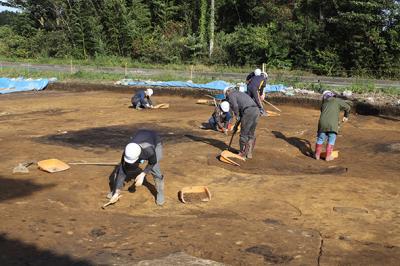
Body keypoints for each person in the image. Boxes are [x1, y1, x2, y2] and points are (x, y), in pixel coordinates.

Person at [108, 129, 164, 205]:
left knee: (155, 169)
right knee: (125, 167)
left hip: (154, 141)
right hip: (139, 138)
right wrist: (116, 192)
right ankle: (114, 192)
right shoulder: (128, 150)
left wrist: (143, 174)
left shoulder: (149, 151)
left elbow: (152, 162)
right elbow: (122, 172)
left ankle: (160, 193)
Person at [314, 90, 351, 161]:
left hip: (322, 124)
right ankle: (328, 157)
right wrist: (345, 116)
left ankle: (317, 155)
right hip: (333, 124)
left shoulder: (324, 104)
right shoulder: (337, 100)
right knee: (331, 140)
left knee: (320, 139)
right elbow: (348, 107)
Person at [224, 87, 260, 159]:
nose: (228, 99)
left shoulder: (231, 95)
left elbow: (235, 106)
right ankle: (248, 153)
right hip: (256, 110)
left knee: (244, 134)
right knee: (251, 134)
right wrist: (236, 126)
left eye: (226, 96)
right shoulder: (240, 94)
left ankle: (242, 153)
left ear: (227, 92)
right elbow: (241, 114)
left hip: (248, 111)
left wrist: (236, 115)